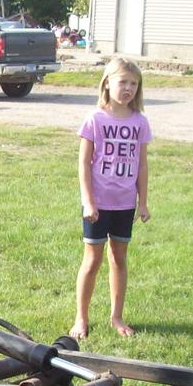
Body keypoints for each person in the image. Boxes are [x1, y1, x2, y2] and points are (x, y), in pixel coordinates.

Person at [70, 57, 151, 340]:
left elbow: (142, 164)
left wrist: (143, 201)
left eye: (133, 83)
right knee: (92, 260)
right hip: (97, 203)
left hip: (125, 203)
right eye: (122, 82)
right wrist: (88, 201)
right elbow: (83, 164)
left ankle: (117, 317)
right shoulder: (95, 119)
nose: (128, 88)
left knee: (119, 258)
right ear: (107, 83)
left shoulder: (140, 122)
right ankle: (81, 317)